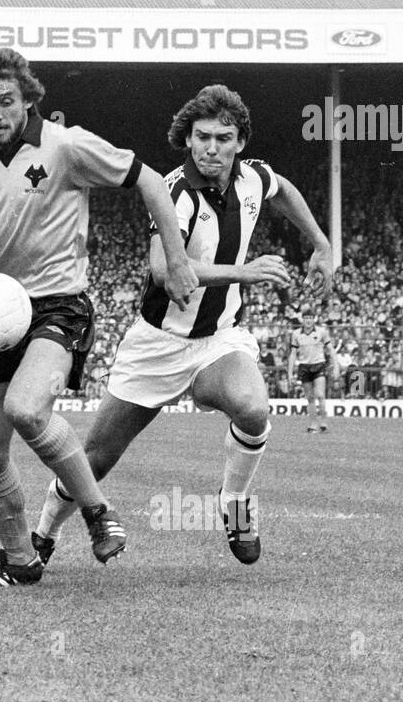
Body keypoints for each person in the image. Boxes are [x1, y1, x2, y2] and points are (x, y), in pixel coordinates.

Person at [0, 47, 198, 588]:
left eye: (6, 101)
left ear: (27, 99)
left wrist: (178, 261)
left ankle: (96, 511)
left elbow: (153, 181)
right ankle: (20, 559)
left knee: (26, 408)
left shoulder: (65, 145)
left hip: (58, 307)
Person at [33, 84, 332, 566]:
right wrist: (245, 272)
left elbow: (284, 191)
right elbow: (165, 271)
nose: (211, 148)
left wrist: (320, 243)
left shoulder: (254, 178)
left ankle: (234, 504)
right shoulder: (175, 191)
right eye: (202, 137)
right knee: (96, 459)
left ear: (240, 143)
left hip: (219, 340)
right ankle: (43, 534)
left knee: (254, 409)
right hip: (157, 344)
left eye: (223, 137)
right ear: (188, 139)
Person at [288, 308, 334, 432]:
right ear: (303, 319)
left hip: (319, 365)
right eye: (306, 318)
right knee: (310, 397)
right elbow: (293, 354)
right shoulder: (296, 334)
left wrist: (335, 365)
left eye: (310, 318)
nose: (308, 320)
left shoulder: (322, 332)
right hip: (304, 367)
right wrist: (290, 373)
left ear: (314, 319)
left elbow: (330, 349)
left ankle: (323, 422)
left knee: (320, 395)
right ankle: (313, 424)